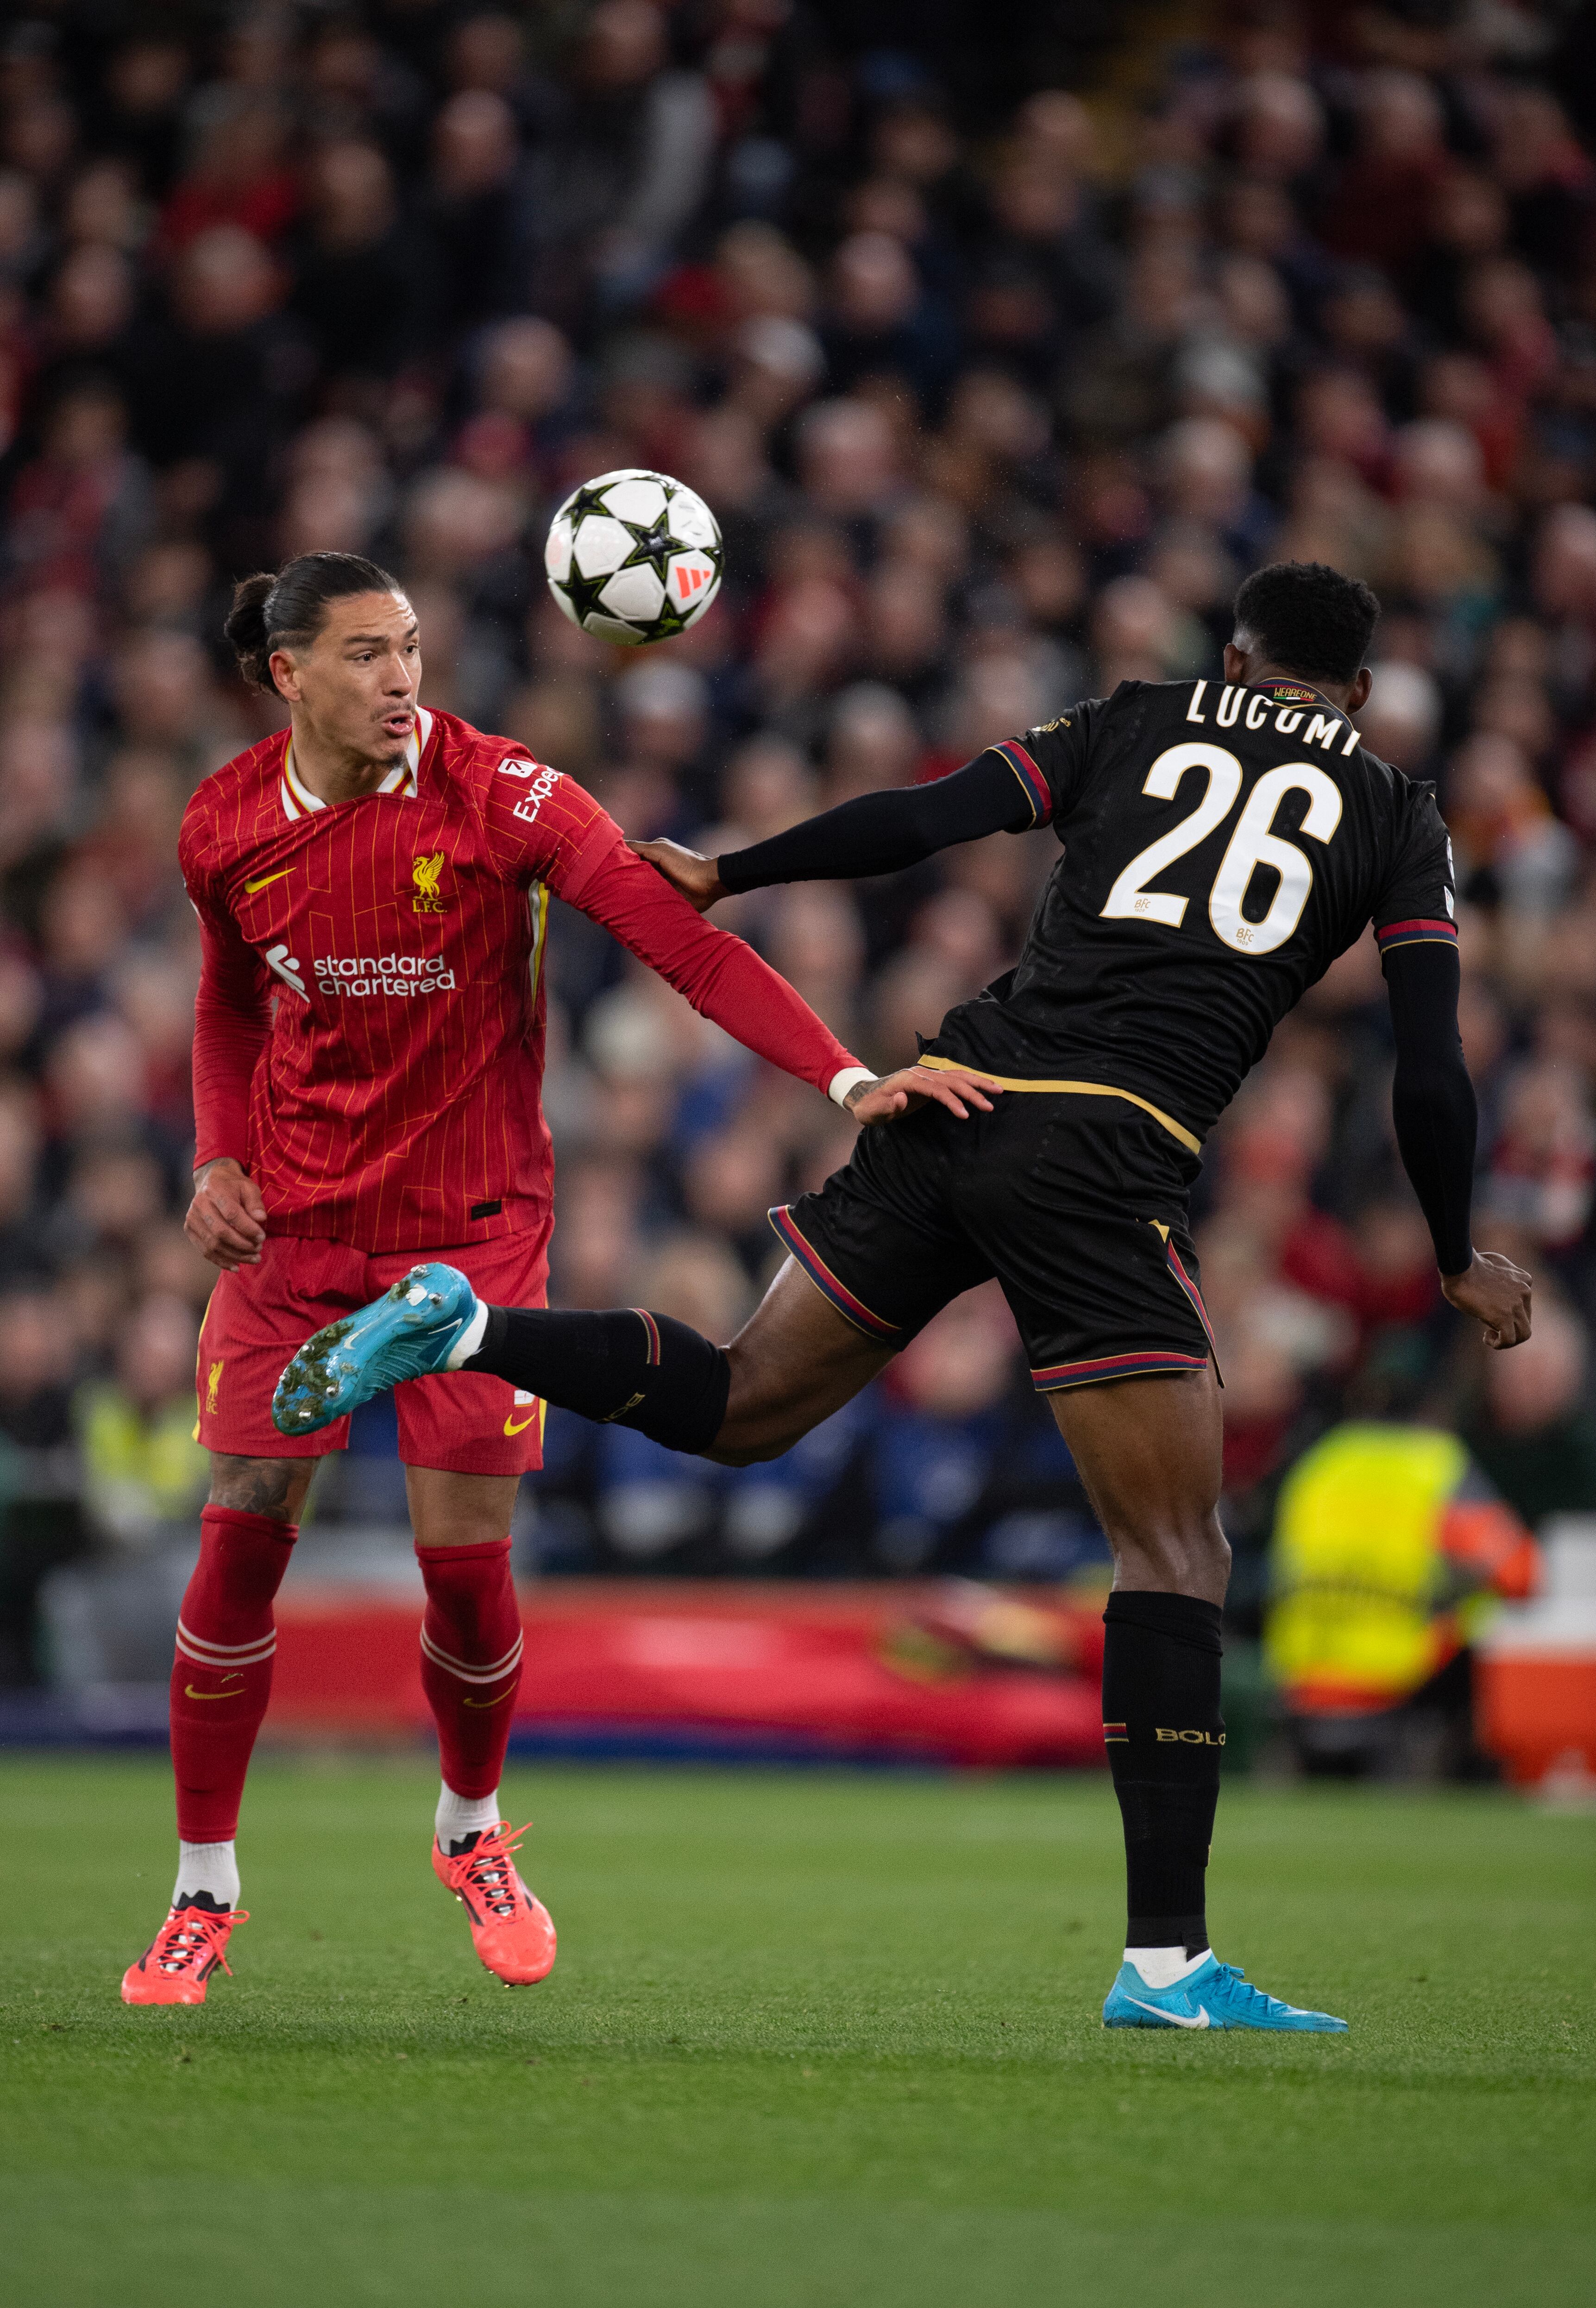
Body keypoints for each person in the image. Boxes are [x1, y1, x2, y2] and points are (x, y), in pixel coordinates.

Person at [276, 560, 1534, 2033]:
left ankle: (472, 1326)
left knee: (745, 1405)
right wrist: (1456, 1250)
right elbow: (1432, 1067)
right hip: (1106, 1151)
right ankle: (1167, 1966)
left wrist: (732, 868)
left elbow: (928, 816)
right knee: (1177, 1552)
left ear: (1236, 659)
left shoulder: (1139, 717)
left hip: (956, 1096)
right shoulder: (1395, 812)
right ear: (1361, 692)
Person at [122, 548, 987, 2007]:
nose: (403, 679)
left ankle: (471, 1829)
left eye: (411, 647)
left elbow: (683, 947)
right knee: (238, 1547)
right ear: (287, 674)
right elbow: (227, 997)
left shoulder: (504, 796)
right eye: (365, 654)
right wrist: (216, 1159)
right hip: (297, 1234)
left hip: (466, 1235)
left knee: (465, 1578)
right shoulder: (223, 823)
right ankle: (202, 1889)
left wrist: (848, 1079)